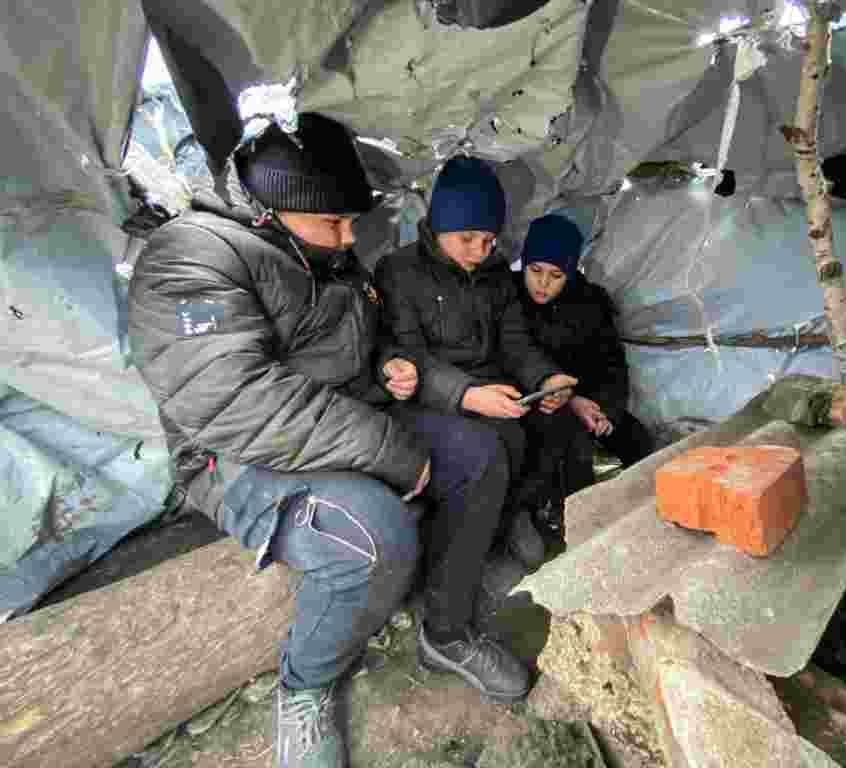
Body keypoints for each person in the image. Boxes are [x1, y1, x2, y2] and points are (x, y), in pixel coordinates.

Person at [127, 113, 531, 768]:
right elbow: (234, 398)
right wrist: (394, 452)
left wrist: (390, 368)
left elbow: (359, 350)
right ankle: (305, 686)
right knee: (370, 533)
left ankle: (446, 631)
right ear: (268, 209)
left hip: (343, 422)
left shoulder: (329, 257)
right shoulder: (191, 256)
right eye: (334, 224)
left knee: (480, 453)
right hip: (236, 454)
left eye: (351, 222)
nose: (349, 239)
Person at [373, 155, 579, 572]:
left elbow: (515, 342)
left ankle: (509, 516)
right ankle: (465, 542)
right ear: (439, 225)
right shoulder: (399, 271)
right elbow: (407, 354)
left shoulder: (497, 272)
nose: (480, 251)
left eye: (488, 240)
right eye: (468, 238)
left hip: (491, 387)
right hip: (430, 396)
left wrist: (546, 377)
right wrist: (468, 395)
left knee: (553, 423)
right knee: (495, 442)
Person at [517, 213, 654, 525]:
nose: (542, 283)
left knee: (637, 439)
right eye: (535, 270)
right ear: (524, 263)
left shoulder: (589, 303)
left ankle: (643, 518)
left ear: (570, 273)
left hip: (589, 401)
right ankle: (571, 527)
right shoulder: (511, 301)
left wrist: (606, 410)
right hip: (539, 404)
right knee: (572, 446)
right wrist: (570, 401)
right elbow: (516, 363)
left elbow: (611, 365)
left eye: (556, 275)